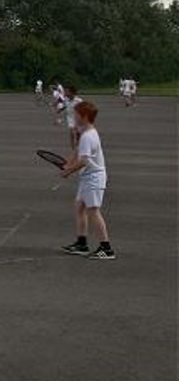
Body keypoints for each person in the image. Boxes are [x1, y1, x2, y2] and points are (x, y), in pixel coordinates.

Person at [59, 101, 115, 260]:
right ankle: (81, 243)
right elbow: (77, 151)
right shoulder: (86, 132)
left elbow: (83, 161)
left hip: (94, 178)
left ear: (84, 116)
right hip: (87, 177)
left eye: (76, 114)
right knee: (79, 207)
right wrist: (69, 164)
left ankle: (107, 249)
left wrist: (68, 171)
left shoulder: (88, 136)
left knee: (93, 211)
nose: (73, 116)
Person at [63, 84, 83, 150]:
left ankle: (78, 144)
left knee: (78, 133)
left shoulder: (78, 100)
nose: (65, 93)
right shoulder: (66, 99)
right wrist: (60, 110)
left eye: (66, 91)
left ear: (71, 92)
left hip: (78, 118)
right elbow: (65, 106)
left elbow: (83, 109)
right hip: (70, 118)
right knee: (72, 131)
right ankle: (73, 148)